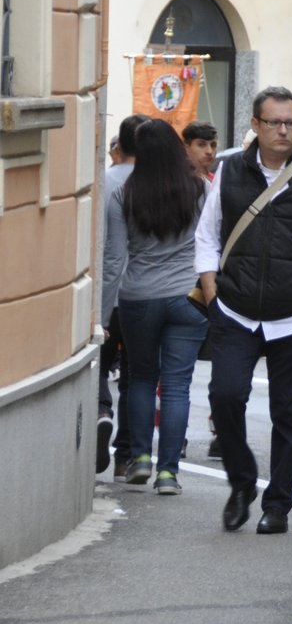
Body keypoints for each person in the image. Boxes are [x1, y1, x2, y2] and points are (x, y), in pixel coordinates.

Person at [197, 86, 292, 535]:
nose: (284, 130)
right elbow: (207, 237)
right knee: (225, 397)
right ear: (255, 126)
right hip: (235, 312)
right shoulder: (228, 173)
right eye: (274, 122)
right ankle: (242, 481)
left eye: (291, 123)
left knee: (290, 414)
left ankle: (278, 504)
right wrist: (213, 295)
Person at [103, 120, 210, 495]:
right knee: (178, 386)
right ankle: (169, 473)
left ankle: (139, 459)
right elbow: (212, 243)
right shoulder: (199, 189)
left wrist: (102, 316)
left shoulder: (124, 194)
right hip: (186, 298)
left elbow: (114, 260)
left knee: (142, 380)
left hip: (137, 299)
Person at [99, 113, 152, 477]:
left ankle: (102, 410)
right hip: (145, 294)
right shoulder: (159, 185)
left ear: (119, 145)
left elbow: (110, 253)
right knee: (136, 374)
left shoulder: (104, 182)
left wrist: (100, 312)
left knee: (98, 366)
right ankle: (126, 458)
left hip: (109, 291)